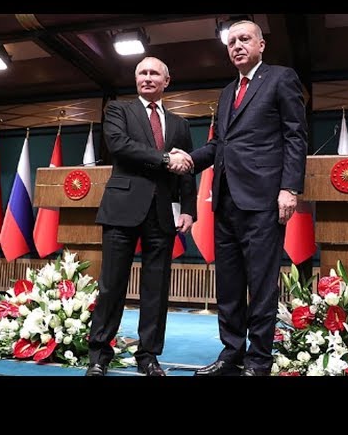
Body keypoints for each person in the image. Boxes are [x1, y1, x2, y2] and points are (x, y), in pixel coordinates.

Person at [171, 20, 308, 376]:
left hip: (264, 199)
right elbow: (219, 144)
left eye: (244, 39)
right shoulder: (227, 91)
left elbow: (295, 135)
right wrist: (189, 160)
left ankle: (258, 361)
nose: (237, 46)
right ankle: (231, 353)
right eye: (231, 42)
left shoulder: (281, 78)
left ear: (261, 44)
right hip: (225, 200)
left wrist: (290, 188)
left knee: (261, 284)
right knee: (229, 285)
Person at [85, 56, 196, 377]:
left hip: (162, 214)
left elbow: (187, 169)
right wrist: (165, 159)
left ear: (166, 81)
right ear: (136, 80)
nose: (147, 78)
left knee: (156, 289)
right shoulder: (118, 110)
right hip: (122, 208)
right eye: (142, 73)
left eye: (154, 73)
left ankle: (148, 356)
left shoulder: (180, 124)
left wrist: (189, 209)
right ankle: (99, 355)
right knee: (111, 285)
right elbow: (119, 146)